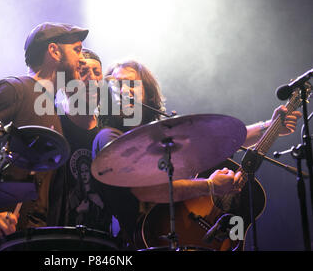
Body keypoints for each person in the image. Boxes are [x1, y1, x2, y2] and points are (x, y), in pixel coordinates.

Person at [92, 60, 302, 246]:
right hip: (145, 240)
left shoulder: (156, 133)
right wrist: (209, 186)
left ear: (147, 92)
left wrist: (270, 126)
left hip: (182, 233)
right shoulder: (109, 137)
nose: (122, 90)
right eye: (115, 85)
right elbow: (145, 191)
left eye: (130, 84)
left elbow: (215, 142)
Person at [0, 22, 89, 251]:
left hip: (31, 237)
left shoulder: (51, 107)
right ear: (54, 51)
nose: (83, 59)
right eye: (77, 50)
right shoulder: (14, 90)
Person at [47, 48, 115, 236]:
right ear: (65, 85)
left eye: (97, 73)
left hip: (102, 240)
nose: (92, 79)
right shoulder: (52, 122)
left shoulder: (108, 131)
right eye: (83, 72)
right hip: (56, 238)